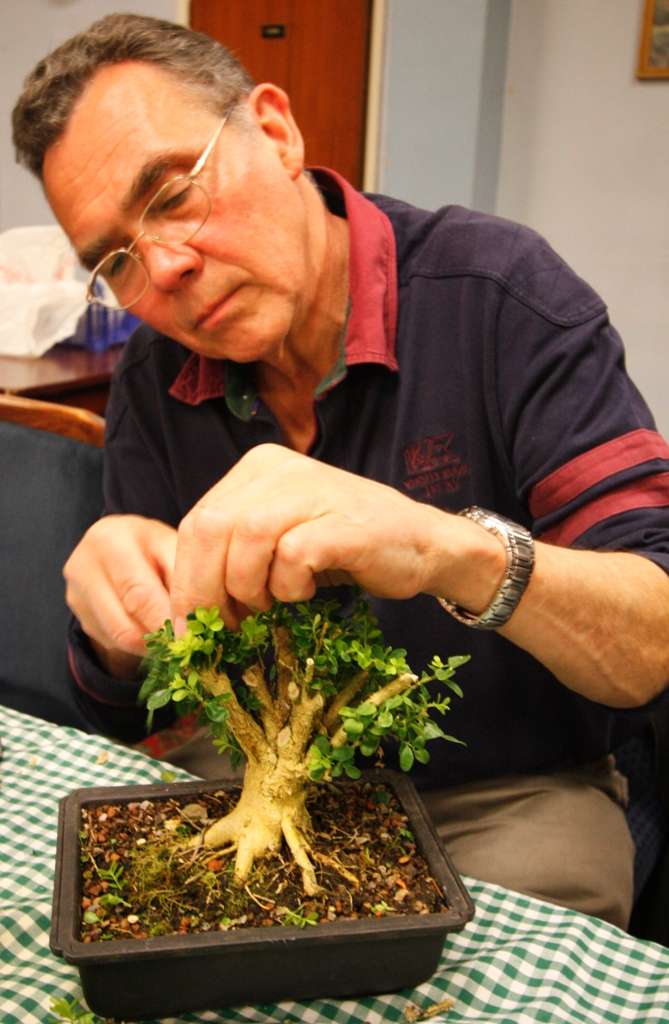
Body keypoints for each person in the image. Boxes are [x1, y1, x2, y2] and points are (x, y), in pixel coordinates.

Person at [12, 14, 669, 930]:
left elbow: (651, 642)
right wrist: (115, 634)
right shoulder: (154, 375)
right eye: (114, 261)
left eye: (174, 196)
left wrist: (448, 550)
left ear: (275, 130)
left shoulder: (500, 296)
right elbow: (129, 713)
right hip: (248, 769)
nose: (164, 268)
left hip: (505, 794)